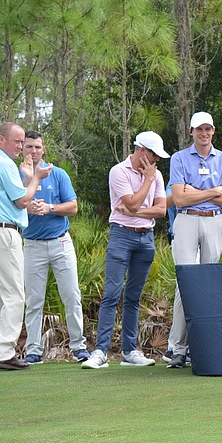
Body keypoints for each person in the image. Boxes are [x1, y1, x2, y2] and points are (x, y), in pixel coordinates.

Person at [82, 132, 168, 369]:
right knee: (111, 294)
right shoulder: (118, 171)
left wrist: (135, 212)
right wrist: (146, 184)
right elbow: (130, 202)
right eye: (153, 155)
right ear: (142, 151)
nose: (156, 161)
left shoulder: (156, 174)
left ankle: (129, 351)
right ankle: (100, 351)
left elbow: (161, 210)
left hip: (146, 239)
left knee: (133, 297)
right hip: (121, 235)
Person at [167, 112, 222, 369]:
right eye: (199, 129)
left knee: (208, 284)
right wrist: (214, 191)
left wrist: (196, 192)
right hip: (186, 220)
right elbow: (179, 199)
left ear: (213, 131)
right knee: (185, 282)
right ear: (191, 131)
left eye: (207, 129)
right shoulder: (179, 158)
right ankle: (178, 348)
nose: (203, 133)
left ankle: (201, 347)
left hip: (214, 220)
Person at [20, 131, 90, 364]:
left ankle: (79, 346)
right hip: (32, 244)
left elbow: (73, 207)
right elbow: (13, 204)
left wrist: (49, 208)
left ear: (44, 148)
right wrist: (28, 208)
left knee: (71, 295)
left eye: (37, 147)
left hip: (60, 242)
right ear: (23, 149)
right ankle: (33, 350)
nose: (33, 151)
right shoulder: (16, 175)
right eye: (28, 147)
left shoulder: (57, 174)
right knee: (34, 299)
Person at [0, 122, 52, 370]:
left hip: (5, 229)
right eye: (17, 141)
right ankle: (4, 352)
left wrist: (27, 181)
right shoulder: (4, 163)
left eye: (23, 142)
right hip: (6, 233)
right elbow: (21, 200)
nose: (21, 147)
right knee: (14, 294)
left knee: (5, 293)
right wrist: (37, 178)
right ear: (1, 140)